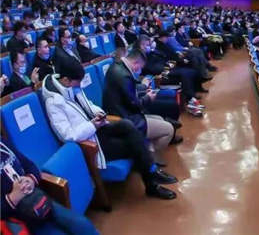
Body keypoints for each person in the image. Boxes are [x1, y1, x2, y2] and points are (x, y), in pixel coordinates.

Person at [40, 58, 178, 200]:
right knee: (133, 145)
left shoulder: (70, 87)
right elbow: (67, 135)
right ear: (65, 80)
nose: (79, 86)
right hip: (90, 143)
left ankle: (151, 171)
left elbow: (88, 104)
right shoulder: (54, 102)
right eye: (77, 82)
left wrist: (98, 113)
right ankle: (152, 181)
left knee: (127, 125)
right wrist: (92, 125)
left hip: (96, 129)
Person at [1, 139, 101, 234]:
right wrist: (13, 198)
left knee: (84, 225)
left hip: (37, 199)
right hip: (18, 218)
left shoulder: (2, 142)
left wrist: (30, 180)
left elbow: (30, 166)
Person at [102, 49, 175, 156]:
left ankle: (147, 149)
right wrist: (148, 98)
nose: (139, 70)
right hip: (125, 119)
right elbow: (135, 104)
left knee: (160, 119)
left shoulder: (117, 67)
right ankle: (148, 155)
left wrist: (145, 93)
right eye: (139, 67)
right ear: (136, 62)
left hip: (123, 112)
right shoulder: (124, 75)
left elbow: (128, 94)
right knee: (169, 129)